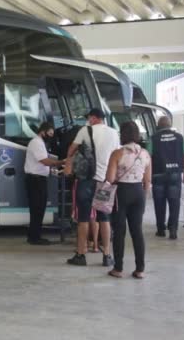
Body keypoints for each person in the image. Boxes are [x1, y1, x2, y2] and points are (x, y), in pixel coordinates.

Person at [67, 108, 120, 266]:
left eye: (89, 117)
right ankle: (107, 256)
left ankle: (81, 255)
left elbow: (71, 150)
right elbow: (116, 154)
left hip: (87, 181)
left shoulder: (85, 130)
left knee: (83, 219)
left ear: (94, 118)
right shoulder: (114, 133)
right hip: (106, 181)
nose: (88, 120)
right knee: (104, 219)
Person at [106, 121, 151, 279]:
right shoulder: (145, 153)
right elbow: (147, 181)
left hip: (122, 192)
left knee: (119, 231)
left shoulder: (118, 153)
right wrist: (143, 198)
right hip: (138, 192)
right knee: (137, 231)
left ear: (122, 134)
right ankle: (140, 269)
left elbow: (110, 178)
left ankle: (118, 268)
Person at [147, 116, 184, 240]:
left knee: (159, 203)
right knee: (174, 202)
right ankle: (173, 230)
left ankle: (161, 229)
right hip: (175, 174)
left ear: (158, 126)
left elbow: (148, 157)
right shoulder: (179, 137)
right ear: (170, 126)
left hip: (158, 174)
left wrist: (146, 176)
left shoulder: (153, 139)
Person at [23, 122, 64, 245]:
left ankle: (34, 236)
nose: (51, 136)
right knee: (37, 209)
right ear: (43, 131)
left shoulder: (40, 142)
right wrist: (61, 162)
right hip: (35, 180)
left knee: (38, 209)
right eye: (50, 134)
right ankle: (35, 238)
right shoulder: (36, 143)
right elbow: (44, 161)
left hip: (38, 179)